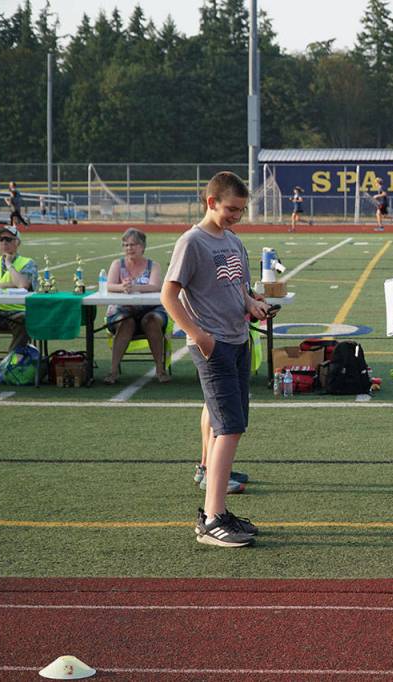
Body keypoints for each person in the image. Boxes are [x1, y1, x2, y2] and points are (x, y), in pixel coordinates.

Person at [161, 171, 271, 548]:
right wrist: (198, 335)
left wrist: (253, 305)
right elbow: (169, 295)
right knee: (227, 428)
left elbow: (239, 286)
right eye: (231, 209)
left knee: (235, 426)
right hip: (214, 345)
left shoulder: (233, 240)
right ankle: (210, 519)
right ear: (211, 202)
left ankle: (219, 511)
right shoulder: (192, 242)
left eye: (241, 210)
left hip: (238, 340)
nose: (236, 216)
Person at [102, 228, 170, 385]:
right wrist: (122, 287)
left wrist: (134, 287)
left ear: (142, 246)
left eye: (133, 245)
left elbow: (155, 286)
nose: (129, 248)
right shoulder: (117, 264)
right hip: (123, 310)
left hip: (150, 310)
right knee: (126, 322)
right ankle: (113, 371)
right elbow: (109, 286)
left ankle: (160, 370)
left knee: (152, 321)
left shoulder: (153, 265)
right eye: (125, 245)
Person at [0, 225, 37, 377]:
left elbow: (22, 285)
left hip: (14, 311)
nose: (4, 243)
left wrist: (9, 265)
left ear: (17, 242)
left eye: (8, 239)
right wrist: (6, 284)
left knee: (26, 320)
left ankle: (8, 365)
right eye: (1, 239)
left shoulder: (28, 263)